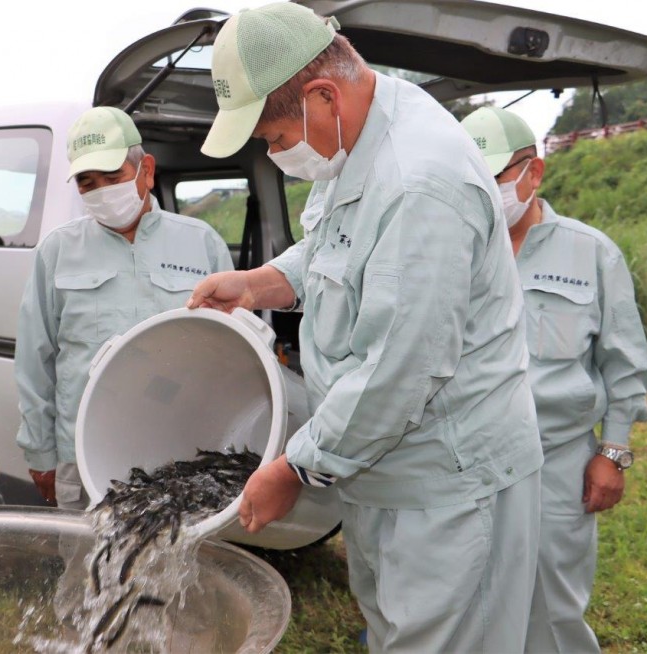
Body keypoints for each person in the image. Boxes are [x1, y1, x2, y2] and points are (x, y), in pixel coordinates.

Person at [189, 4, 544, 651]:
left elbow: (399, 368)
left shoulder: (420, 181)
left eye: (271, 138)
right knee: (395, 630)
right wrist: (257, 283)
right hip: (380, 468)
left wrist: (294, 468)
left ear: (323, 95)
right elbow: (332, 250)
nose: (273, 153)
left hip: (448, 484)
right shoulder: (351, 140)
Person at [462, 106, 647, 654]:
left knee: (553, 606)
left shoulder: (590, 252)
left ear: (533, 173)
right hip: (469, 458)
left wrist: (612, 453)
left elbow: (625, 363)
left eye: (493, 178)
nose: (482, 194)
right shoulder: (457, 251)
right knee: (469, 595)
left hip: (557, 459)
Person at [15, 106, 233, 510]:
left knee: (174, 568)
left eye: (112, 177)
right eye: (86, 182)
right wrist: (41, 454)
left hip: (183, 451)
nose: (100, 191)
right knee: (87, 568)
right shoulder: (57, 251)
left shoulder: (202, 244)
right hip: (84, 454)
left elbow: (236, 352)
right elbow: (34, 360)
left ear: (145, 170)